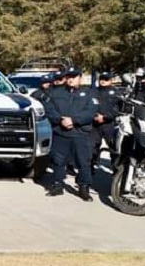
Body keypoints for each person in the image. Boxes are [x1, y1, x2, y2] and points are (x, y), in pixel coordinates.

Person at [44, 67, 98, 201]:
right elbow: (49, 109)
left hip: (80, 133)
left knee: (83, 162)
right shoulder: (55, 92)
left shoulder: (89, 93)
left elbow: (91, 111)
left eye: (73, 77)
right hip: (60, 132)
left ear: (80, 77)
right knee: (58, 160)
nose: (70, 79)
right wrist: (60, 120)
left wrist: (74, 120)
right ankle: (57, 185)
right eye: (68, 77)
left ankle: (83, 187)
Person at [91, 71, 119, 175]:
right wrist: (95, 116)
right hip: (95, 124)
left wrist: (105, 117)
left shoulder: (116, 93)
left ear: (111, 81)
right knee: (92, 147)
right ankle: (91, 168)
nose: (103, 81)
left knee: (113, 148)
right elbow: (89, 106)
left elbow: (117, 108)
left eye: (106, 79)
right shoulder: (93, 92)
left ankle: (116, 170)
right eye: (102, 79)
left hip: (109, 124)